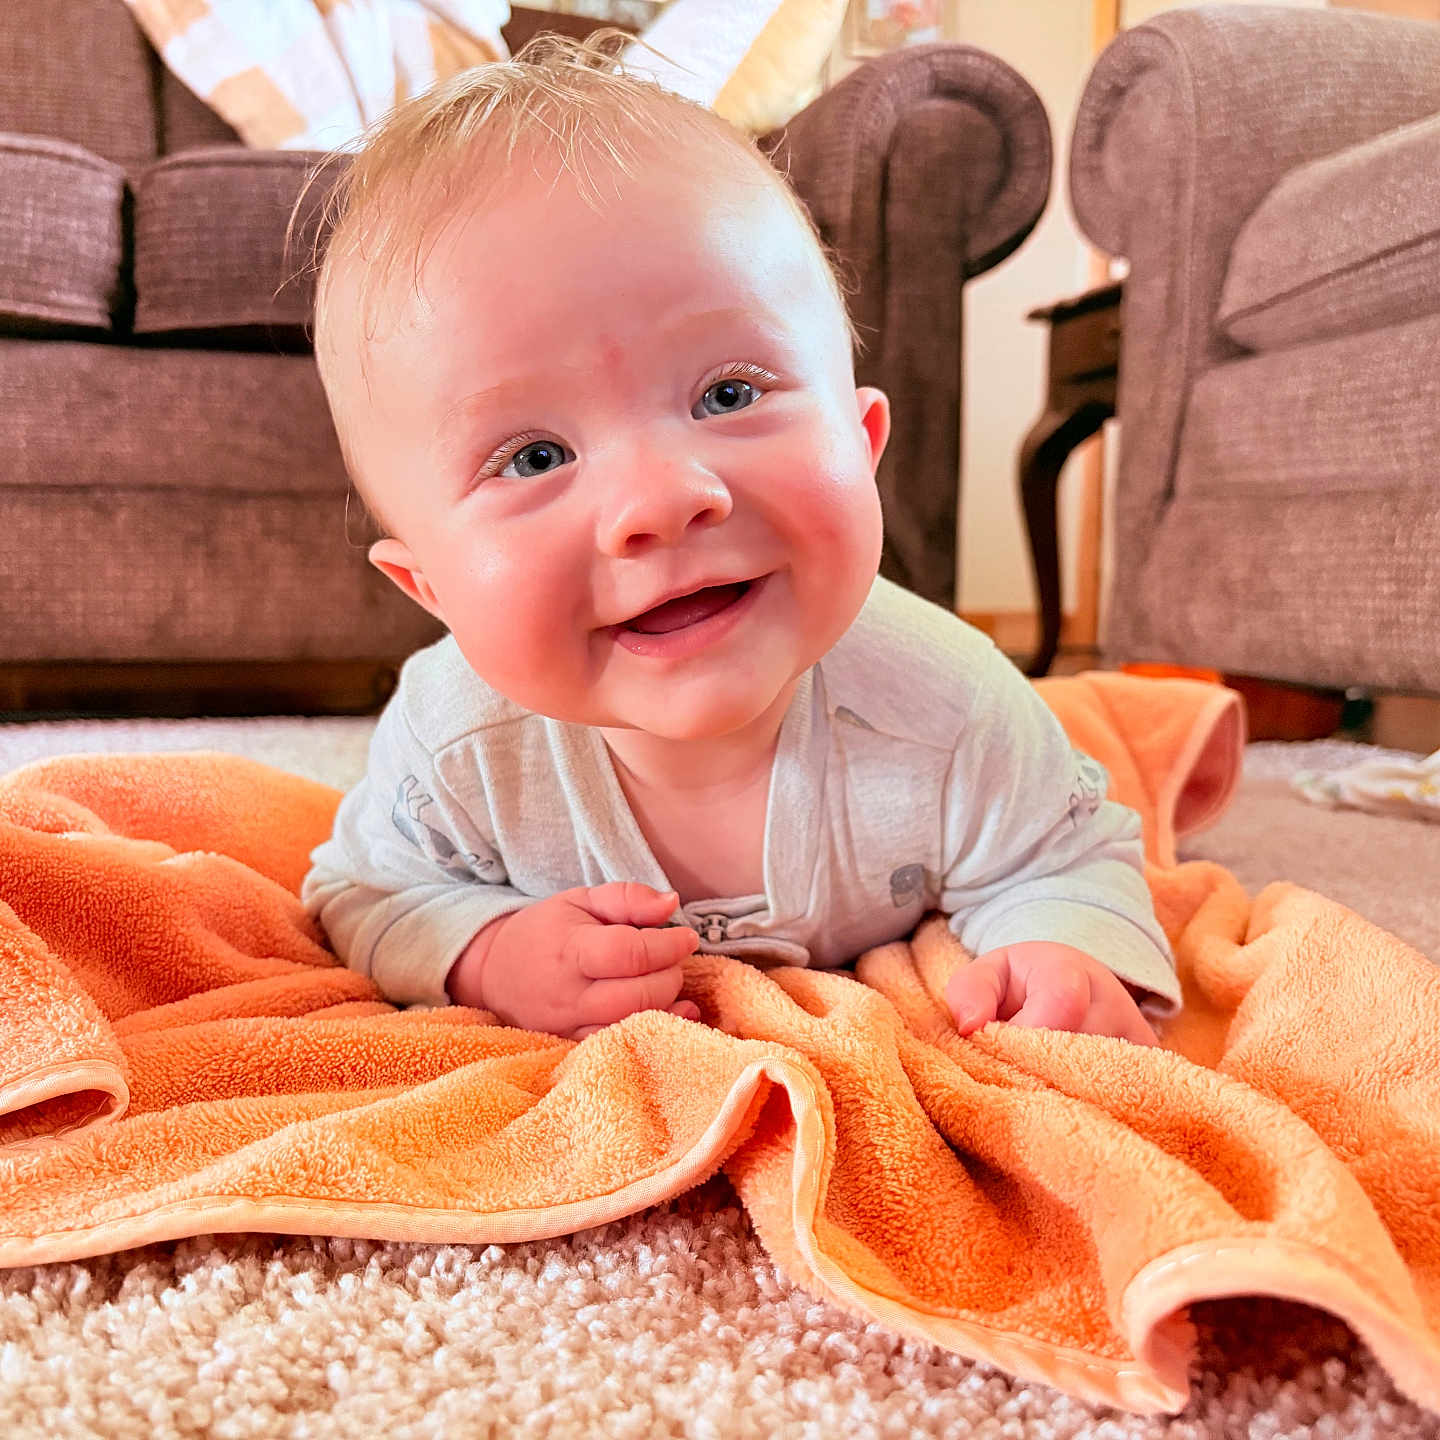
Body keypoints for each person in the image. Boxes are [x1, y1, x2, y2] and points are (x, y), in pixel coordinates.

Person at [300, 32, 1180, 1045]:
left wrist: (1063, 948)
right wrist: (484, 951)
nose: (662, 502)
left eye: (727, 394)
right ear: (431, 590)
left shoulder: (947, 702)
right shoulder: (456, 749)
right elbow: (364, 890)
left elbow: (1064, 854)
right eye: (535, 457)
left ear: (862, 442)